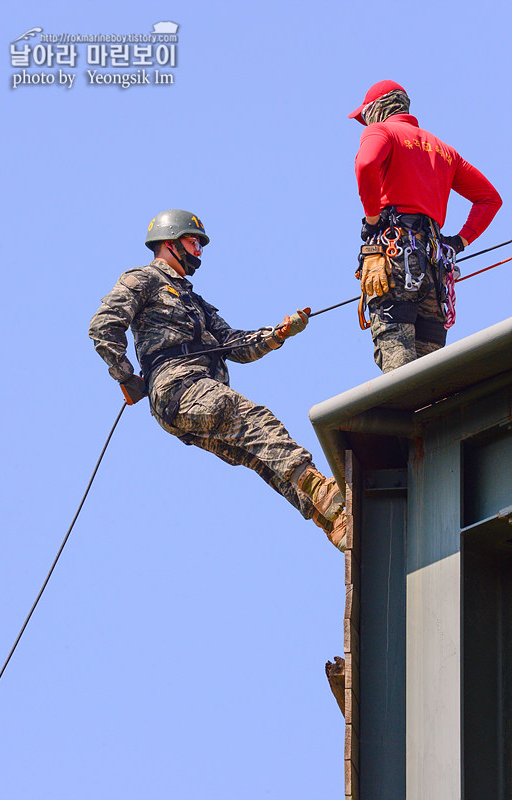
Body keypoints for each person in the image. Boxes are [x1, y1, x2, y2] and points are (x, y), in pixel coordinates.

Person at [89, 209, 346, 550]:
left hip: (191, 398)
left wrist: (280, 333)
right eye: (193, 241)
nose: (198, 250)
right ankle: (321, 489)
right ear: (169, 242)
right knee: (257, 421)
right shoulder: (144, 278)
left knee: (260, 456)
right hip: (179, 387)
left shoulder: (196, 302)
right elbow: (103, 325)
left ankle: (334, 522)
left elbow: (237, 346)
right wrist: (125, 376)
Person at [349, 79, 502, 373]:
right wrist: (459, 242)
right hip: (434, 269)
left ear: (376, 109)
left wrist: (372, 220)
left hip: (395, 259)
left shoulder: (380, 131)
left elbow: (366, 164)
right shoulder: (444, 150)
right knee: (431, 370)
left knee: (400, 367)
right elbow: (489, 199)